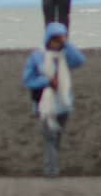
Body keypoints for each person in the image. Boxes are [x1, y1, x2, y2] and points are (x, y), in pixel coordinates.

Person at [21, 21, 85, 178]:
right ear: (48, 40)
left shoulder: (65, 56)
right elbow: (28, 80)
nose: (57, 43)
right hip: (45, 104)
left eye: (60, 40)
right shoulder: (37, 57)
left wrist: (66, 44)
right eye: (55, 39)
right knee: (50, 137)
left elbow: (80, 60)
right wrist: (47, 81)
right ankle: (51, 171)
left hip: (63, 104)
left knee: (56, 137)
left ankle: (52, 167)